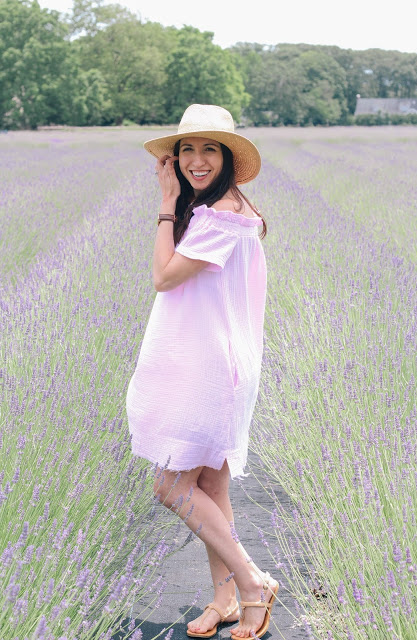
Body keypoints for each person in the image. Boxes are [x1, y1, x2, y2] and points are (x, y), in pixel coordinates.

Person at [126, 104, 278, 639]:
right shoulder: (225, 209)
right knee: (210, 482)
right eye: (186, 149)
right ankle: (227, 601)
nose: (196, 160)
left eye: (209, 149)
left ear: (228, 159)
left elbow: (164, 277)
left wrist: (166, 205)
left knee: (170, 485)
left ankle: (253, 583)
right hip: (216, 359)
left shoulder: (222, 215)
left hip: (210, 367)